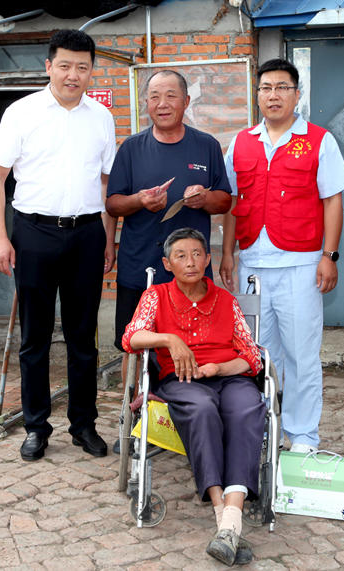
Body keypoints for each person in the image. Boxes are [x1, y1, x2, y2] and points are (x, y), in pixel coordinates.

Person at [0, 30, 117, 461]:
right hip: (34, 232)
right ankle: (36, 427)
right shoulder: (21, 113)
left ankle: (84, 425)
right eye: (64, 66)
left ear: (91, 70)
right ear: (48, 66)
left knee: (83, 338)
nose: (73, 75)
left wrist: (108, 238)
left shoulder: (102, 117)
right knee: (35, 337)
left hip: (86, 234)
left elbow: (105, 183)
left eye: (82, 67)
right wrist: (0, 238)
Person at [220, 58, 344, 454]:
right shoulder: (242, 142)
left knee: (301, 355)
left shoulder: (319, 140)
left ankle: (303, 435)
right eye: (266, 88)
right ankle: (258, 427)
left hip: (301, 264)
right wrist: (227, 254)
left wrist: (329, 255)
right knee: (255, 352)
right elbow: (230, 202)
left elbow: (333, 201)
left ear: (297, 94)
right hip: (252, 265)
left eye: (282, 87)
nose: (273, 95)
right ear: (257, 94)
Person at [122, 227, 264, 566]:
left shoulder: (226, 300)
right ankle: (225, 516)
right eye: (181, 256)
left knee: (247, 408)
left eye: (197, 254)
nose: (190, 262)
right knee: (202, 409)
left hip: (229, 377)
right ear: (167, 264)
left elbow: (252, 356)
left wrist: (219, 368)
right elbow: (131, 337)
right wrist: (169, 339)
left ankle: (228, 523)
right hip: (182, 380)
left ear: (208, 259)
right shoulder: (156, 296)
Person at [106, 69, 231, 438]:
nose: (162, 104)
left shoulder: (206, 146)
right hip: (139, 266)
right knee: (134, 345)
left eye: (171, 95)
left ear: (186, 101)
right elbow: (112, 204)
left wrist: (205, 198)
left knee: (194, 343)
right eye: (154, 96)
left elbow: (225, 200)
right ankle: (133, 423)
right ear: (146, 103)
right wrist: (139, 200)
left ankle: (188, 422)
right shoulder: (131, 148)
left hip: (191, 271)